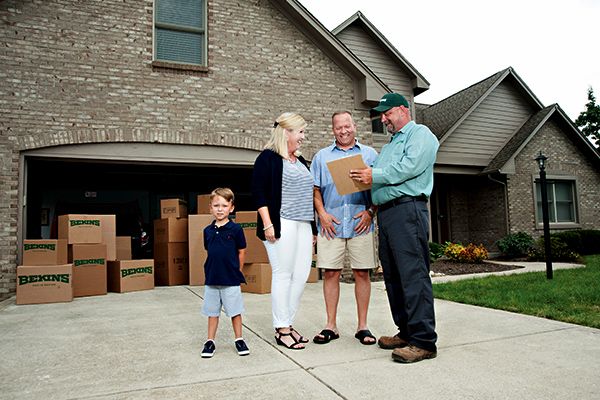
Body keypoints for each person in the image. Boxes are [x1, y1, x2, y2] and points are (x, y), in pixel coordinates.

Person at [349, 93, 440, 363]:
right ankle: (407, 331)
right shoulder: (389, 145)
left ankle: (424, 342)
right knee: (394, 276)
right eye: (382, 114)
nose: (383, 118)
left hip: (408, 210)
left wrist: (372, 175)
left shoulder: (421, 135)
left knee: (413, 275)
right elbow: (378, 176)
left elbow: (408, 168)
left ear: (403, 109)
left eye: (388, 113)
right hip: (387, 215)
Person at [310, 111, 379, 346]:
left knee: (362, 273)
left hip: (361, 223)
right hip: (331, 224)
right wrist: (322, 214)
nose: (344, 131)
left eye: (347, 126)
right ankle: (331, 325)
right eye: (339, 127)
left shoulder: (370, 154)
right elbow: (315, 190)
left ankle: (363, 327)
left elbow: (380, 188)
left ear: (354, 126)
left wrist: (371, 212)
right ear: (333, 130)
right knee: (331, 273)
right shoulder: (321, 156)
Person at [251, 112, 317, 350]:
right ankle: (282, 329)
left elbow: (307, 197)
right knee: (283, 274)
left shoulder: (300, 161)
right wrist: (268, 224)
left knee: (300, 276)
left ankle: (287, 322)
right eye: (300, 132)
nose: (302, 137)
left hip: (303, 223)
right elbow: (258, 193)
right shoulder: (267, 159)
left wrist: (312, 229)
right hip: (281, 223)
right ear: (286, 132)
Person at [200, 188, 249, 358]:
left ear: (231, 208)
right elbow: (209, 250)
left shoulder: (236, 230)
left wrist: (238, 271)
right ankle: (210, 341)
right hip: (212, 278)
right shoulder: (207, 231)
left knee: (235, 311)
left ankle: (239, 339)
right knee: (212, 312)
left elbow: (241, 251)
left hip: (231, 279)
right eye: (216, 205)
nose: (220, 209)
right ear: (210, 208)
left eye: (224, 205)